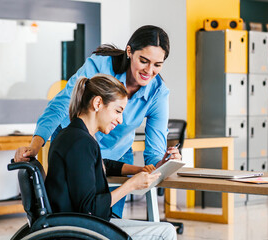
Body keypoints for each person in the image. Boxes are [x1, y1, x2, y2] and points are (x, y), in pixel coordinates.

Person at [15, 25, 181, 217]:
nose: (149, 71)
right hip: (76, 145)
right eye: (144, 61)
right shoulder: (100, 66)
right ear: (129, 52)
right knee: (83, 212)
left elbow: (154, 154)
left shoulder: (158, 94)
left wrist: (163, 163)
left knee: (109, 219)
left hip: (115, 154)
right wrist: (35, 146)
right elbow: (61, 105)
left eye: (157, 65)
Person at [44, 74, 176, 240]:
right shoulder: (80, 142)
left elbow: (99, 164)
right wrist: (131, 185)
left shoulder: (74, 136)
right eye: (118, 111)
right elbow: (90, 209)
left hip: (78, 224)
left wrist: (138, 170)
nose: (120, 120)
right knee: (166, 232)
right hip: (81, 229)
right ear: (98, 103)